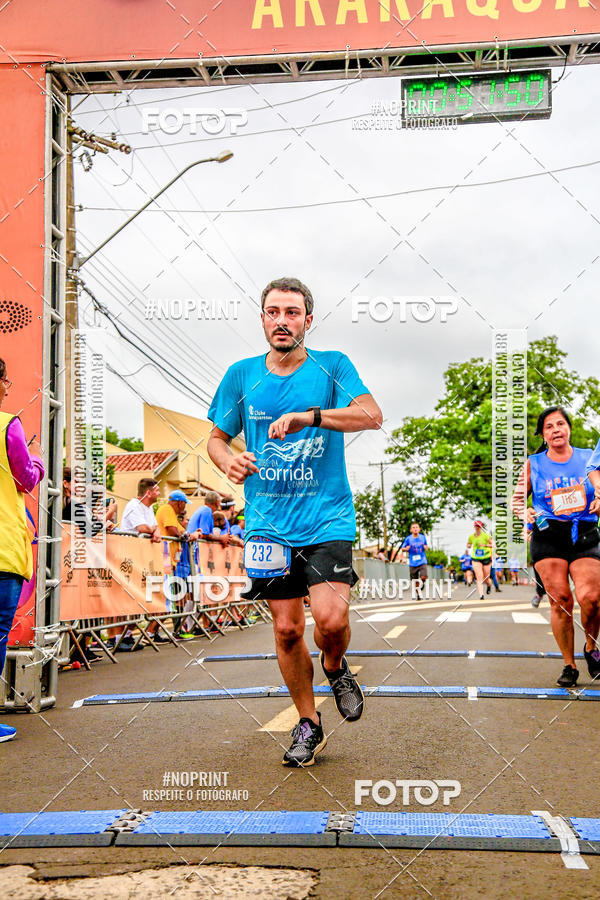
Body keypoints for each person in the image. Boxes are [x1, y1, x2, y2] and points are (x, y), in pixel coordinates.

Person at [207, 276, 382, 766]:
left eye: (291, 312)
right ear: (262, 319)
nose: (281, 321)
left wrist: (311, 417)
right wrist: (228, 461)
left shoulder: (332, 366)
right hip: (267, 524)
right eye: (273, 312)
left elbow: (371, 415)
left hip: (327, 517)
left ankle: (334, 664)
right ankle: (308, 722)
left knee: (332, 620)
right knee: (286, 630)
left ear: (308, 319)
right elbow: (216, 438)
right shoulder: (241, 375)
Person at [512, 406, 600, 687]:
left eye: (560, 424)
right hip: (548, 535)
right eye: (549, 427)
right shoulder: (533, 463)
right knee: (561, 600)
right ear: (543, 435)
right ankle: (569, 665)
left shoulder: (589, 458)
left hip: (584, 532)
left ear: (569, 428)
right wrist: (524, 512)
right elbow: (516, 501)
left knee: (592, 597)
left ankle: (590, 646)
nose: (556, 430)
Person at [0, 357, 45, 742]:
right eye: (6, 381)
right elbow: (25, 478)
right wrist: (38, 462)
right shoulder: (7, 424)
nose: (7, 389)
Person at [108, 478, 161, 651]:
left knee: (136, 599)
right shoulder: (133, 505)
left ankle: (128, 635)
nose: (159, 493)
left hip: (139, 558)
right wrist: (154, 530)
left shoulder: (149, 508)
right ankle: (118, 638)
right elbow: (143, 528)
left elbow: (154, 527)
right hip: (126, 557)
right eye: (157, 490)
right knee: (124, 598)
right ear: (148, 493)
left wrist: (156, 530)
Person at [156, 490, 201, 641]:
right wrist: (185, 536)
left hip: (172, 562)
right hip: (167, 560)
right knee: (174, 598)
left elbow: (183, 532)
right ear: (180, 503)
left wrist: (191, 534)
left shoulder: (172, 514)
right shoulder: (167, 509)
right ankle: (174, 630)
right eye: (184, 504)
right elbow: (173, 531)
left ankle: (173, 629)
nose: (184, 507)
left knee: (176, 597)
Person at [400, 522, 429, 601]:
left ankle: (422, 583)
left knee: (423, 577)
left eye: (416, 527)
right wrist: (406, 549)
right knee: (415, 581)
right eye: (413, 527)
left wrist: (426, 547)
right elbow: (402, 548)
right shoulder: (408, 539)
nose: (415, 529)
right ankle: (418, 594)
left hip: (422, 560)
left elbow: (426, 546)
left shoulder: (422, 537)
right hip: (413, 562)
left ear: (419, 529)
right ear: (411, 530)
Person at [466, 520, 493, 599]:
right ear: (474, 527)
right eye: (476, 526)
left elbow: (494, 545)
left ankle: (489, 585)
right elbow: (468, 544)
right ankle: (481, 594)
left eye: (479, 526)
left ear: (481, 527)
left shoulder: (486, 536)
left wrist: (485, 545)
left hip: (486, 557)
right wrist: (469, 545)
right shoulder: (471, 537)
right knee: (479, 577)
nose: (477, 527)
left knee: (486, 578)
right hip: (476, 558)